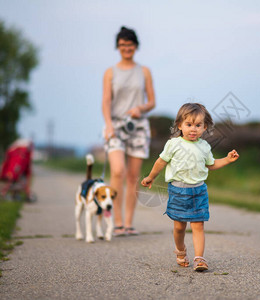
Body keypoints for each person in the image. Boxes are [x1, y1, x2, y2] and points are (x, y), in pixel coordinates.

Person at [141, 103, 239, 271]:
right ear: (180, 125)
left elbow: (212, 164)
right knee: (179, 227)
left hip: (199, 191)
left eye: (198, 125)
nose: (193, 129)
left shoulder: (204, 147)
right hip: (178, 191)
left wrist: (227, 160)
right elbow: (160, 162)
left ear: (204, 127)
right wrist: (151, 177)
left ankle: (199, 259)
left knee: (198, 225)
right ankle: (180, 250)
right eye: (189, 124)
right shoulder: (173, 144)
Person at [102, 26, 155, 236]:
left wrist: (141, 108)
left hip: (138, 125)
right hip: (115, 125)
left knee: (133, 176)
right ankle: (116, 222)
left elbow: (152, 101)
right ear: (118, 47)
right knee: (117, 171)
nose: (126, 48)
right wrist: (108, 124)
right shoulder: (110, 72)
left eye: (130, 45)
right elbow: (106, 101)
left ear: (136, 46)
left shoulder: (144, 71)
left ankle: (129, 223)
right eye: (122, 45)